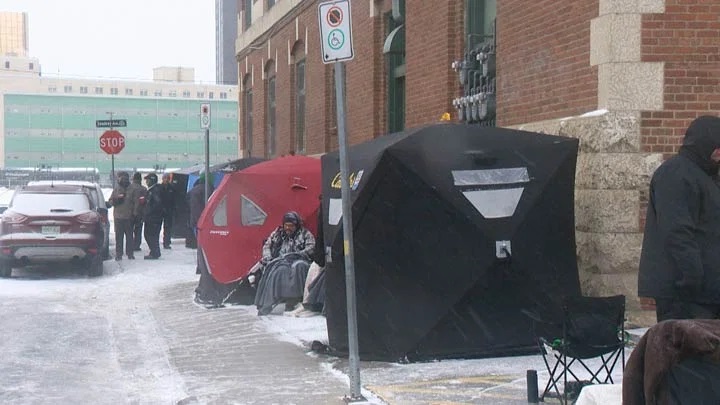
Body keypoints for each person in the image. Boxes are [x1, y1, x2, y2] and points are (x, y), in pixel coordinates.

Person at [638, 115, 720, 322]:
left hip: (707, 292)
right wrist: (693, 276)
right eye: (717, 147)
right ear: (703, 144)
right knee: (687, 351)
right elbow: (677, 232)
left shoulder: (707, 176)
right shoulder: (676, 174)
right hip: (685, 293)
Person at [255, 211, 316, 315]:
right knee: (279, 270)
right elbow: (267, 246)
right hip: (282, 260)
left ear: (296, 226)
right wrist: (268, 257)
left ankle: (295, 300)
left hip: (300, 259)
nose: (288, 228)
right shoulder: (277, 233)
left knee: (299, 267)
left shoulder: (305, 234)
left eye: (291, 226)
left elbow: (311, 247)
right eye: (286, 225)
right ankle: (268, 303)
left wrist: (299, 253)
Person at [108, 171, 136, 260]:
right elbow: (110, 201)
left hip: (129, 217)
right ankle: (119, 254)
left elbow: (136, 203)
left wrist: (135, 213)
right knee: (119, 237)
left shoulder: (132, 189)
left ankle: (130, 253)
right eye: (120, 178)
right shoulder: (117, 189)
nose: (122, 179)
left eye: (124, 178)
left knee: (129, 237)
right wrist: (116, 200)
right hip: (118, 217)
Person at [142, 173, 164, 260]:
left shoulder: (154, 191)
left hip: (153, 218)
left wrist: (148, 212)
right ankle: (154, 251)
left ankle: (155, 252)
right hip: (154, 217)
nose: (146, 182)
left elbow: (156, 204)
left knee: (150, 235)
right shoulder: (153, 190)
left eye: (147, 180)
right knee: (151, 235)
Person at [130, 172, 147, 252]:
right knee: (138, 230)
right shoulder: (143, 189)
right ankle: (136, 245)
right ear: (140, 179)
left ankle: (129, 244)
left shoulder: (129, 188)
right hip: (140, 213)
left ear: (133, 179)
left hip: (129, 213)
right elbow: (145, 202)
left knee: (129, 230)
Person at [159, 173, 176, 249]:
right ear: (162, 179)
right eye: (165, 178)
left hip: (169, 210)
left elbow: (174, 200)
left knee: (168, 227)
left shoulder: (172, 188)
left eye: (167, 178)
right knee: (158, 227)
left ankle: (167, 243)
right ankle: (156, 241)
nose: (166, 179)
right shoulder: (159, 187)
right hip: (160, 210)